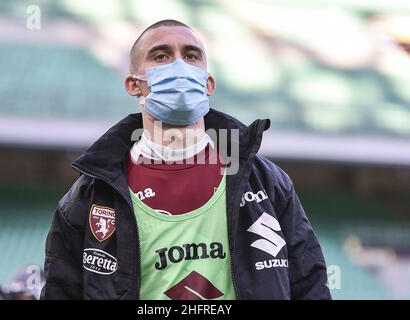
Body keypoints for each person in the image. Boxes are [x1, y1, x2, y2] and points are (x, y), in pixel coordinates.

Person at [41, 19, 331, 300]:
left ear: (208, 84)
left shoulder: (268, 182)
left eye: (191, 55)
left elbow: (310, 285)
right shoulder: (88, 197)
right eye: (161, 56)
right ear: (133, 84)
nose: (179, 66)